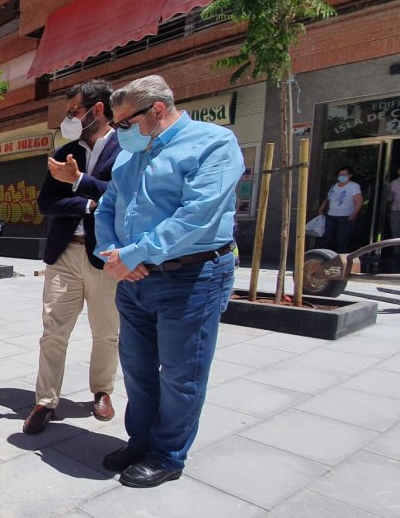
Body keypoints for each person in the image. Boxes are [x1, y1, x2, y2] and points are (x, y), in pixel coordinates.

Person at [94, 75, 244, 488]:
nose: (118, 132)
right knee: (138, 370)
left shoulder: (213, 143)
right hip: (133, 279)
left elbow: (198, 215)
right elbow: (106, 208)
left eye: (124, 123)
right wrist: (112, 254)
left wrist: (135, 253)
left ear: (157, 111)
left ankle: (168, 454)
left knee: (181, 374)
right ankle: (140, 441)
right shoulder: (129, 154)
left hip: (192, 276)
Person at [24, 80, 121, 435]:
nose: (70, 118)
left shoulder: (126, 149)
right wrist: (89, 204)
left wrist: (79, 182)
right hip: (65, 253)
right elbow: (47, 203)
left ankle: (102, 391)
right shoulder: (67, 150)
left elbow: (122, 197)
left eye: (74, 112)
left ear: (97, 110)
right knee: (53, 332)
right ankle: (45, 400)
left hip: (106, 256)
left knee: (107, 332)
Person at [317, 166, 363, 254]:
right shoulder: (334, 186)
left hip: (346, 217)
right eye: (340, 174)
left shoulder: (353, 186)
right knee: (328, 237)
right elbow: (328, 198)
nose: (341, 176)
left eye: (344, 174)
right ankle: (326, 256)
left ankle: (342, 258)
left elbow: (359, 200)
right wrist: (321, 209)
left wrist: (354, 213)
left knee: (342, 238)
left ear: (350, 175)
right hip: (331, 215)